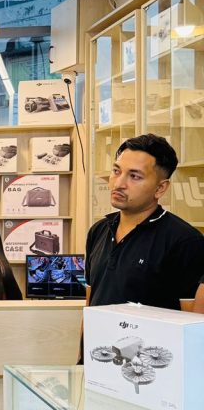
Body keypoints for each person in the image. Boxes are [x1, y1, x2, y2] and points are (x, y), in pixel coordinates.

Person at [85, 134, 204, 315]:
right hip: (98, 335)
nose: (119, 183)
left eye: (134, 176)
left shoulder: (185, 242)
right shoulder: (98, 230)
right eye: (116, 171)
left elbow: (192, 321)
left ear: (160, 188)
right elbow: (90, 302)